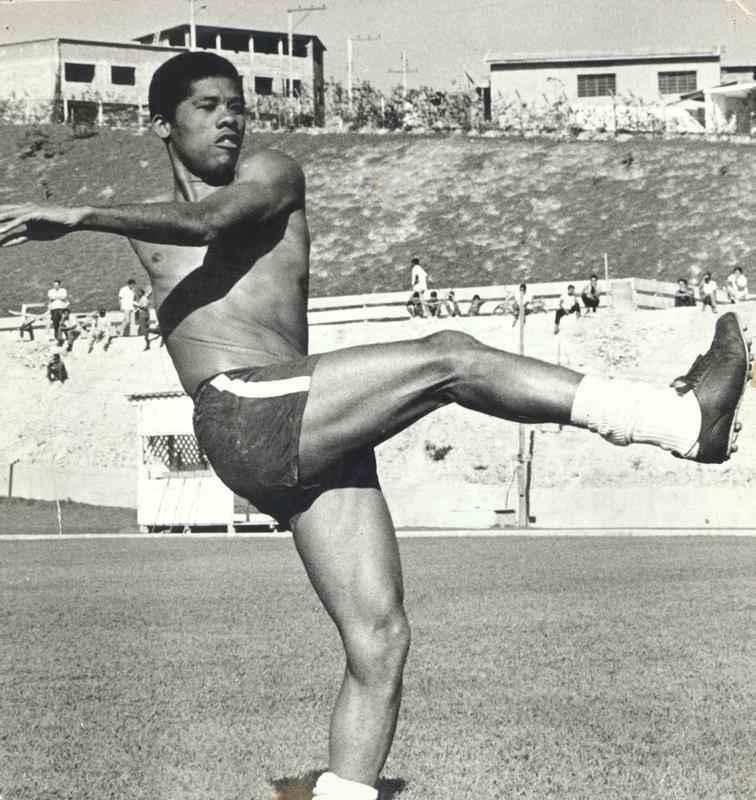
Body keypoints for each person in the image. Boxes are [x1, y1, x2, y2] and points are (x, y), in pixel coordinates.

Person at [0, 51, 750, 800]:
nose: (231, 117)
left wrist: (78, 213)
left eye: (238, 104)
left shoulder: (272, 173)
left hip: (298, 424)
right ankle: (681, 421)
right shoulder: (146, 226)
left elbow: (210, 219)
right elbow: (182, 221)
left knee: (381, 640)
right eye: (205, 106)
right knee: (450, 356)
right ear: (160, 123)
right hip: (240, 410)